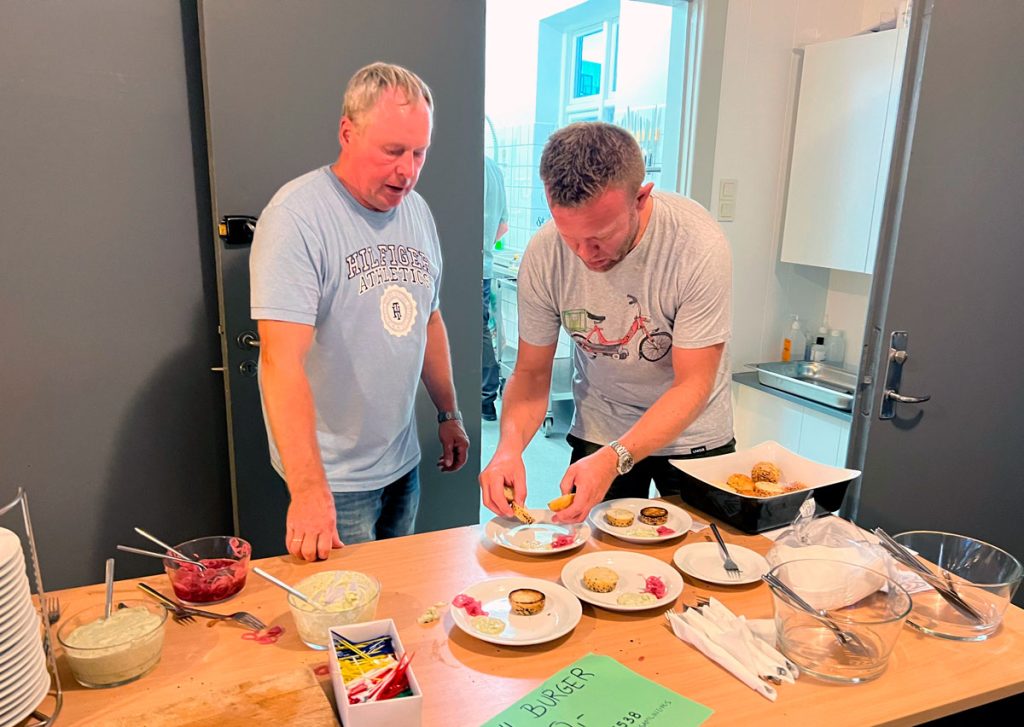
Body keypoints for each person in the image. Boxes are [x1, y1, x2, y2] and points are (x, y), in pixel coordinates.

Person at [250, 62, 469, 562]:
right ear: (347, 133)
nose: (407, 171)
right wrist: (308, 490)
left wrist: (448, 412)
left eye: (419, 153)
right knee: (348, 622)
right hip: (334, 475)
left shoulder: (417, 211)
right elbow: (279, 362)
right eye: (393, 151)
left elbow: (428, 319)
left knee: (396, 597)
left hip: (401, 459)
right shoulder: (296, 218)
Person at [479, 122, 734, 524]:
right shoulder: (545, 254)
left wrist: (620, 456)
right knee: (593, 565)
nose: (584, 254)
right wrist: (508, 449)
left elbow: (693, 384)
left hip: (693, 437)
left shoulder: (696, 246)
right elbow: (530, 375)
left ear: (640, 197)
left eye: (600, 236)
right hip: (600, 427)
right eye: (569, 235)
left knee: (703, 560)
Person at [481, 156, 509, 421]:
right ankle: (487, 397)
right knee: (482, 330)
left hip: (464, 268)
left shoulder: (464, 166)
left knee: (475, 333)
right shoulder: (494, 169)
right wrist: (486, 242)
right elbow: (503, 226)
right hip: (484, 266)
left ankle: (485, 395)